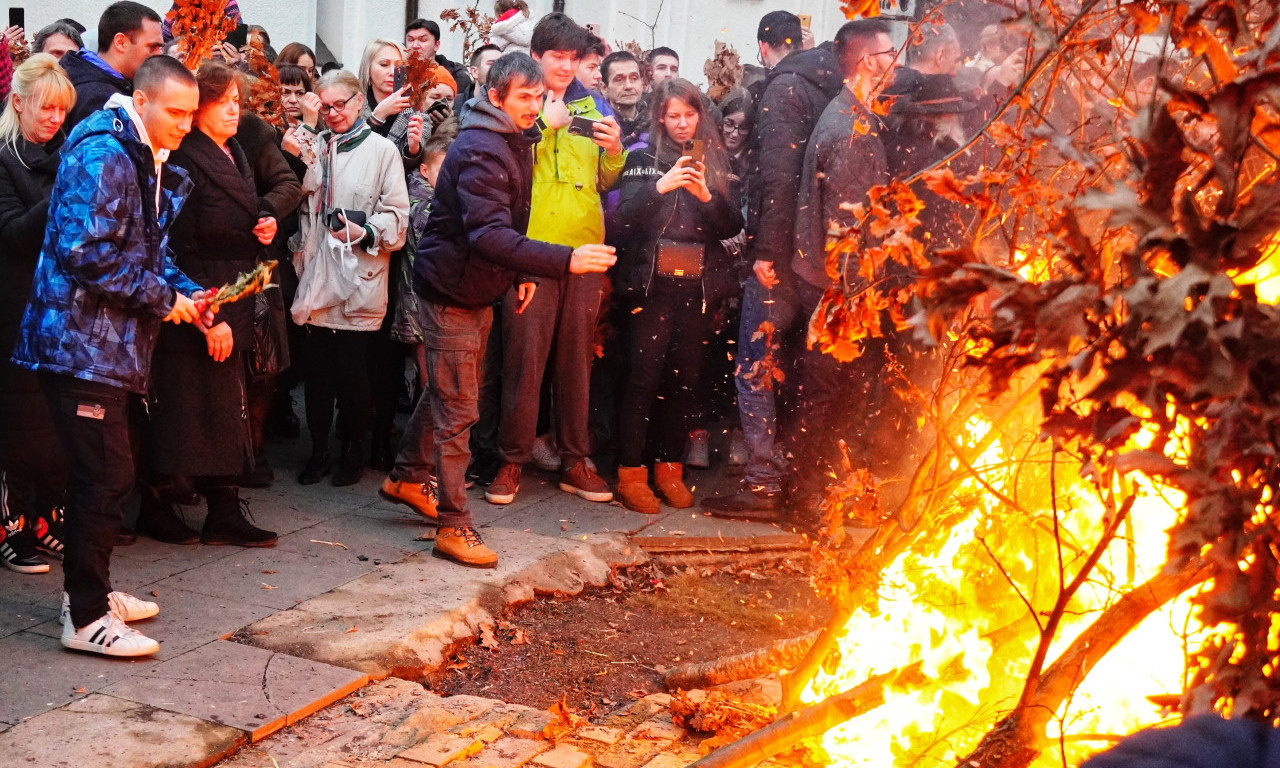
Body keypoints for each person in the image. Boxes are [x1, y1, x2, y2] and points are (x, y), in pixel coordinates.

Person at [13, 55, 208, 657]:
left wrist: (189, 291)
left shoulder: (141, 152)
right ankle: (87, 615)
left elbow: (144, 249)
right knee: (104, 476)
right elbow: (86, 252)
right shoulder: (104, 152)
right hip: (79, 344)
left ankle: (88, 593)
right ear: (141, 102)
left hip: (105, 346)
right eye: (175, 113)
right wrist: (164, 296)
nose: (184, 125)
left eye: (191, 114)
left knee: (105, 474)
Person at [391, 51, 616, 568]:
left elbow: (508, 224)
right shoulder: (480, 149)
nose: (535, 107)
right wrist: (566, 260)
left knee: (446, 391)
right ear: (494, 97)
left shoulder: (518, 137)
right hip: (448, 289)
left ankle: (405, 475)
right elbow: (489, 233)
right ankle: (453, 524)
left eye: (539, 97)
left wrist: (516, 275)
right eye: (524, 97)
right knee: (459, 409)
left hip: (478, 285)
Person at [701, 9, 843, 518]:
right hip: (826, 261)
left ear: (763, 47)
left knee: (755, 366)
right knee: (810, 372)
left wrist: (764, 254)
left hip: (782, 263)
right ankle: (808, 479)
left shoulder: (783, 90)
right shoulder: (835, 86)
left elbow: (779, 179)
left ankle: (763, 481)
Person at [485, 13, 626, 507]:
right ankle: (510, 459)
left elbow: (605, 182)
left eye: (574, 58)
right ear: (538, 57)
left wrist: (614, 152)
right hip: (535, 255)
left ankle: (575, 458)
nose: (566, 66)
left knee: (576, 364)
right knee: (524, 364)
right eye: (557, 57)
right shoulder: (522, 105)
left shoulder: (592, 105)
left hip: (586, 253)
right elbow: (505, 166)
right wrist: (544, 121)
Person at [142, 62, 281, 547]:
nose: (235, 112)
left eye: (239, 102)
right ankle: (160, 503)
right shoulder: (185, 158)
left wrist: (265, 220)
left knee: (228, 404)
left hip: (231, 292)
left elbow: (267, 194)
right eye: (225, 103)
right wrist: (207, 310)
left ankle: (223, 506)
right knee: (192, 409)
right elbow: (174, 243)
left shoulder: (236, 149)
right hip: (200, 295)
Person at [781, 19, 901, 522]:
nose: (896, 62)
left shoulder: (856, 116)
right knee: (828, 395)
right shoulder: (851, 130)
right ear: (867, 63)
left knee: (830, 394)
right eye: (889, 54)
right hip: (838, 290)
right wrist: (857, 297)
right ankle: (806, 499)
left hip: (834, 287)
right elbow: (850, 229)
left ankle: (815, 493)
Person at [612, 78, 742, 513]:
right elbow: (623, 222)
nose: (683, 123)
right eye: (673, 116)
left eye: (690, 114)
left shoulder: (714, 161)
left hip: (696, 288)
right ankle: (631, 473)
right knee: (642, 380)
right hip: (651, 288)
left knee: (684, 384)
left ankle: (669, 469)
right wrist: (661, 186)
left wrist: (707, 195)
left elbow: (729, 227)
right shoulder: (641, 158)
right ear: (660, 118)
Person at [290, 69, 409, 487]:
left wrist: (363, 231)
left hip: (360, 274)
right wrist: (307, 129)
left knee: (355, 375)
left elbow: (398, 216)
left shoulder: (381, 151)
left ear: (360, 102)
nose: (334, 113)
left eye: (341, 103)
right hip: (318, 275)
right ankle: (318, 450)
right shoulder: (316, 145)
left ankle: (353, 451)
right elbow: (295, 189)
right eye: (325, 106)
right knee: (318, 375)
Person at [0, 55, 76, 574]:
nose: (55, 119)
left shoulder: (57, 155)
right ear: (18, 102)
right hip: (14, 307)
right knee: (18, 425)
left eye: (62, 110)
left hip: (61, 311)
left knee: (55, 423)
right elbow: (12, 233)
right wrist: (64, 196)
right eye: (46, 108)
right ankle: (12, 526)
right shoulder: (4, 161)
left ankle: (47, 519)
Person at [60, 1, 164, 131]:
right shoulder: (99, 100)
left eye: (161, 48)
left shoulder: (88, 77)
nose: (159, 55)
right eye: (153, 47)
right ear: (121, 42)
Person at [358, 39, 427, 172]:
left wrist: (413, 150)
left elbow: (418, 171)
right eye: (384, 64)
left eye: (399, 65)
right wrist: (377, 117)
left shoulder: (417, 114)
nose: (392, 72)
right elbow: (353, 156)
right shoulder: (352, 107)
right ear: (368, 69)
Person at [404, 19, 475, 101]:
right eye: (410, 40)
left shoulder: (456, 75)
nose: (415, 46)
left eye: (423, 40)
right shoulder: (397, 72)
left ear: (436, 45)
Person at [600, 50, 646, 144]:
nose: (628, 86)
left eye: (634, 78)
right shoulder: (599, 124)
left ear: (642, 83)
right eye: (619, 80)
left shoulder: (654, 123)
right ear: (604, 88)